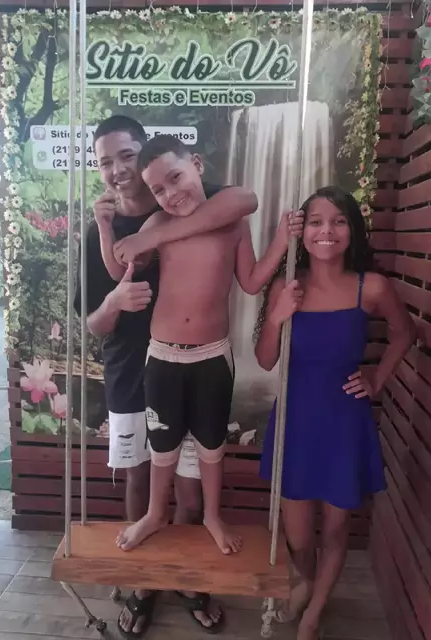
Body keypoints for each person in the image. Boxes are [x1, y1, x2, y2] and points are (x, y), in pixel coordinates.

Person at [75, 115, 260, 638]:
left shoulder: (191, 197)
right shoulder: (105, 226)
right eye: (105, 162)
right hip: (133, 369)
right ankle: (143, 586)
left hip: (199, 360)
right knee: (141, 479)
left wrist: (162, 232)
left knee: (192, 488)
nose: (118, 169)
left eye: (125, 155)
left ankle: (187, 580)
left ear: (147, 155)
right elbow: (93, 322)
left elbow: (244, 201)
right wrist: (115, 297)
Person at [99, 134, 304, 555]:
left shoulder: (233, 223)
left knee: (211, 443)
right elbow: (122, 267)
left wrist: (282, 241)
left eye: (176, 178)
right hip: (163, 355)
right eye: (159, 189)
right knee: (162, 443)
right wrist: (106, 229)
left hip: (212, 355)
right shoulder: (157, 225)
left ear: (196, 164)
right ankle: (155, 512)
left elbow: (251, 282)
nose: (171, 194)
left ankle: (212, 515)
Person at [255, 186, 416, 640]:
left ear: (352, 230)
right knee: (299, 537)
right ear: (302, 232)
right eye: (316, 222)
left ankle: (313, 613)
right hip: (296, 421)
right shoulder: (287, 284)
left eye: (339, 221)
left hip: (345, 421)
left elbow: (405, 334)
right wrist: (277, 316)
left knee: (337, 529)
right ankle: (304, 584)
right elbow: (265, 360)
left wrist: (377, 378)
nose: (327, 230)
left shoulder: (372, 287)